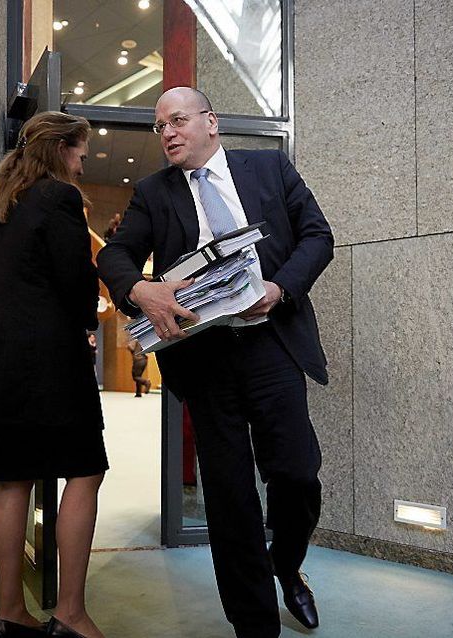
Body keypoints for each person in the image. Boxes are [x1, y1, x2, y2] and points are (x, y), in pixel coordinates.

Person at [97, 87, 333, 638]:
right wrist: (141, 290)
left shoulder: (268, 168)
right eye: (160, 128)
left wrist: (279, 288)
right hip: (204, 360)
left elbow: (317, 237)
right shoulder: (154, 192)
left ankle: (286, 566)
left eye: (178, 121)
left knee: (297, 474)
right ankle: (254, 623)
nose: (169, 134)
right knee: (229, 497)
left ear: (210, 122)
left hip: (272, 343)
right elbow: (115, 254)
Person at [0, 111, 108, 638]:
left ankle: (11, 615)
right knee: (84, 470)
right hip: (49, 365)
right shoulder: (57, 198)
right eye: (81, 154)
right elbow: (75, 280)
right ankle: (71, 614)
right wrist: (91, 316)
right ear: (61, 149)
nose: (83, 164)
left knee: (12, 480)